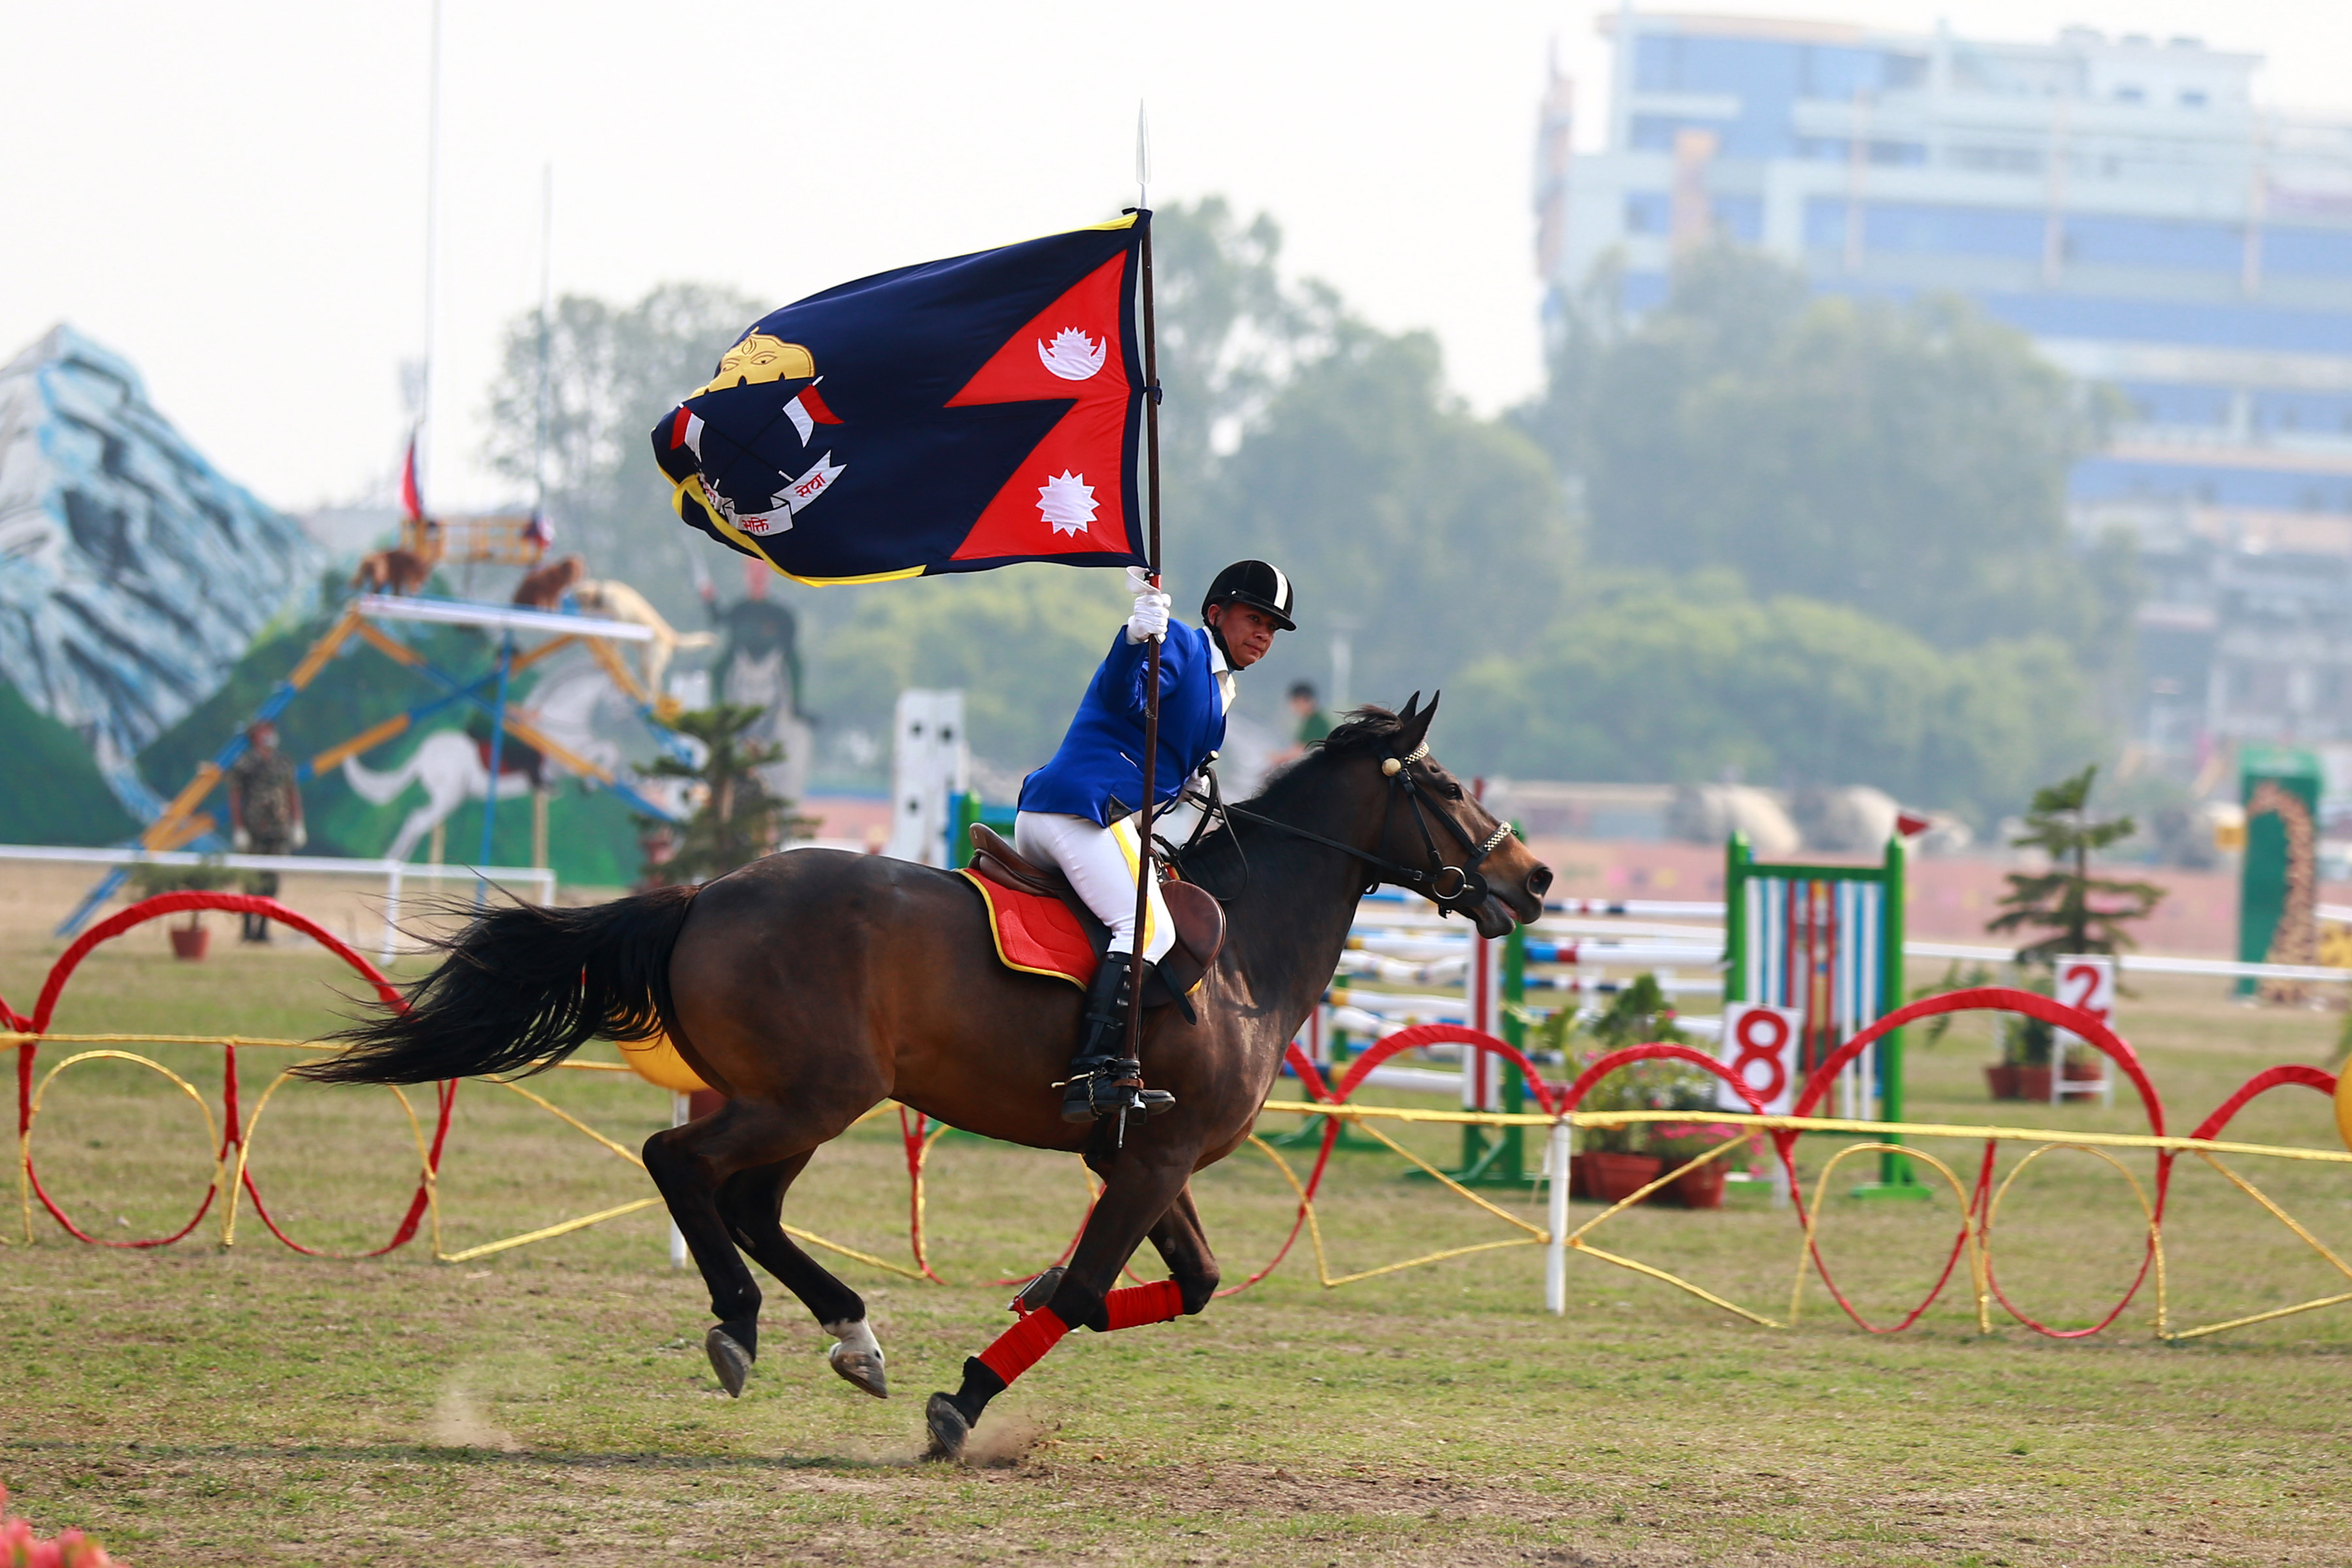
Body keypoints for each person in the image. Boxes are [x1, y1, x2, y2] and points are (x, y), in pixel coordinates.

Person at [1017, 559, 1295, 1122]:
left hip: (1095, 817)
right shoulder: (1182, 647)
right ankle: (1096, 1072)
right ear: (1216, 614)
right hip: (1084, 810)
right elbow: (1126, 696)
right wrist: (1133, 638)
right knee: (1147, 927)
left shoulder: (1222, 687)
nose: (1263, 633)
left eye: (1272, 626)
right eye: (1254, 618)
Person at [226, 721, 306, 943]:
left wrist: (297, 823)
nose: (270, 736)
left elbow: (292, 792)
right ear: (255, 736)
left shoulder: (283, 762)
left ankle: (263, 929)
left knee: (272, 881)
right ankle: (246, 929)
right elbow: (235, 797)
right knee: (252, 880)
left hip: (279, 829)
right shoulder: (244, 763)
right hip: (255, 830)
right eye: (265, 732)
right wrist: (239, 828)